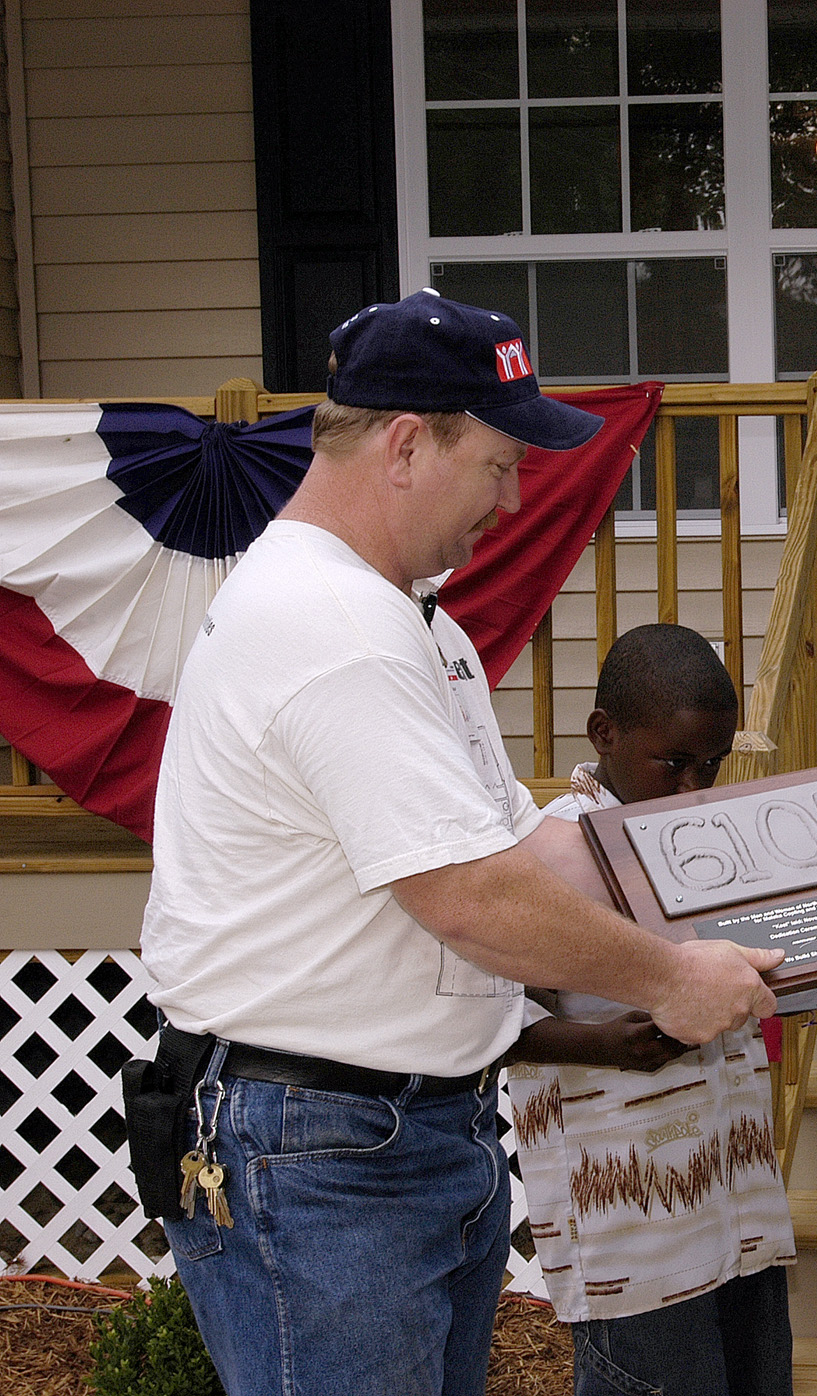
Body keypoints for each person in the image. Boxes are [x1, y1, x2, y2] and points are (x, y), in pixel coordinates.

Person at [139, 291, 781, 1396]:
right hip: (322, 1149)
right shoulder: (330, 626)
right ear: (403, 445)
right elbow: (471, 898)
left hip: (406, 1133)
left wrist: (792, 866)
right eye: (496, 463)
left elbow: (521, 852)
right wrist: (674, 977)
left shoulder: (409, 620)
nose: (513, 496)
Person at [506, 622, 795, 1396]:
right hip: (630, 1223)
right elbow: (489, 1018)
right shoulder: (546, 855)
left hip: (732, 1184)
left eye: (712, 764)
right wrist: (605, 1045)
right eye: (674, 762)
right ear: (603, 733)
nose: (694, 787)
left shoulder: (711, 838)